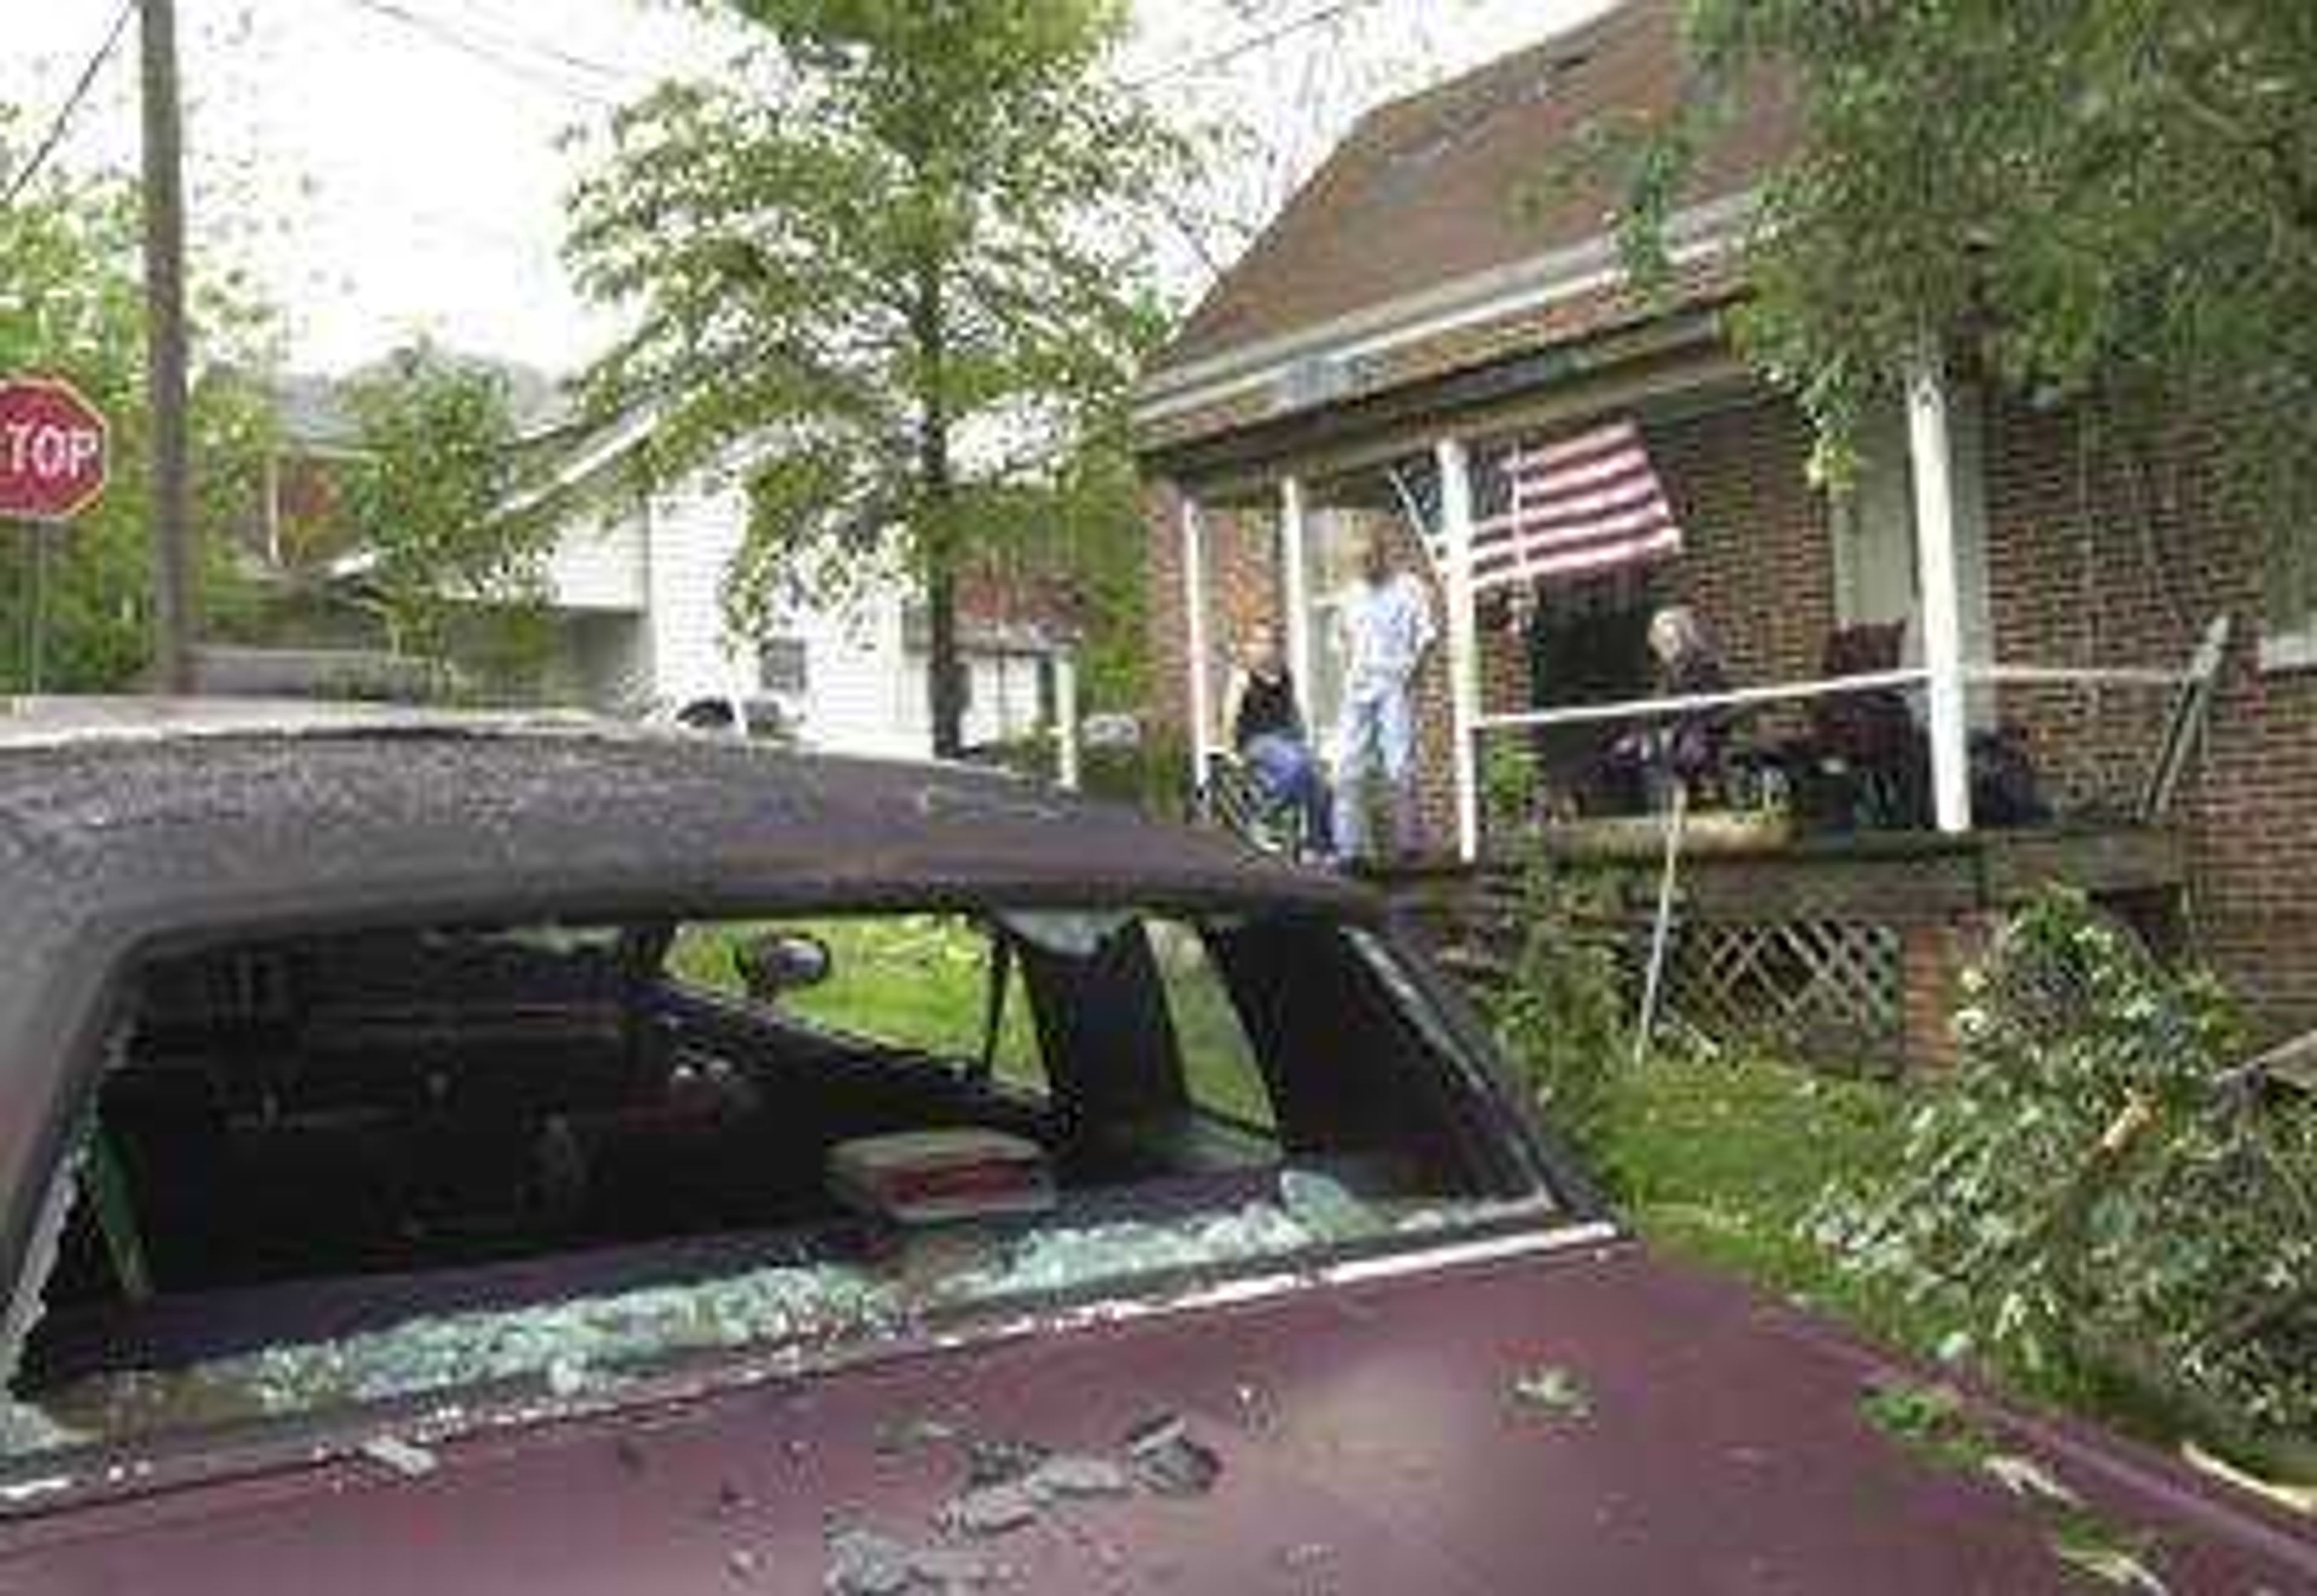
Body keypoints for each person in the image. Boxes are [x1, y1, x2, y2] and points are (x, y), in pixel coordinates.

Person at [1330, 532, 1436, 863]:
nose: (1363, 568)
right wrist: (1351, 670)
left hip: (1394, 681)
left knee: (1400, 764)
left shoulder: (1410, 588)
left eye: (1368, 561)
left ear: (1382, 554)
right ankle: (1348, 849)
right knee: (1347, 766)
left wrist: (1413, 677)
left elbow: (1427, 637)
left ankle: (1409, 845)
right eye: (1357, 563)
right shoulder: (1350, 595)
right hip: (1358, 686)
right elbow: (1339, 639)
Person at [1221, 625, 1332, 855]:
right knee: (1295, 765)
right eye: (1259, 642)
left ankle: (1319, 846)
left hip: (1285, 740)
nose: (1265, 648)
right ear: (1249, 648)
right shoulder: (1242, 677)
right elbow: (1229, 716)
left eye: (1270, 643)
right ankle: (1261, 819)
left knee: (1320, 780)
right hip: (1256, 741)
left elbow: (1293, 711)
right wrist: (1230, 751)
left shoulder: (1284, 675)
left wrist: (1304, 739)